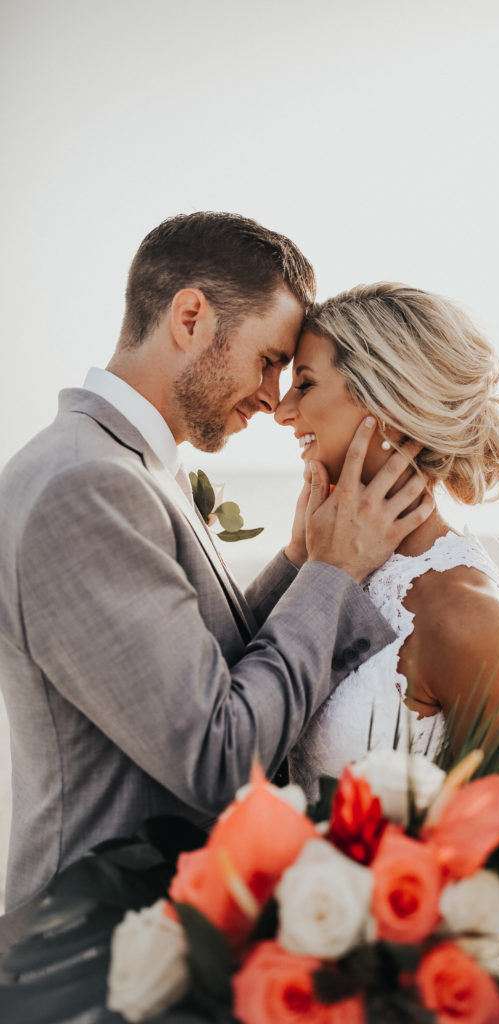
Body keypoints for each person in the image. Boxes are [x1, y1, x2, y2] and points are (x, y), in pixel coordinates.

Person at [0, 216, 434, 922]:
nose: (273, 398)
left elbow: (195, 668)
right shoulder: (85, 485)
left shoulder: (116, 466)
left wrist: (299, 559)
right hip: (91, 958)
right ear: (191, 316)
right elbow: (216, 756)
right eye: (268, 360)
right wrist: (334, 574)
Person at [275, 282, 499, 800]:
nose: (282, 411)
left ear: (389, 403)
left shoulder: (471, 616)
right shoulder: (326, 564)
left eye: (304, 384)